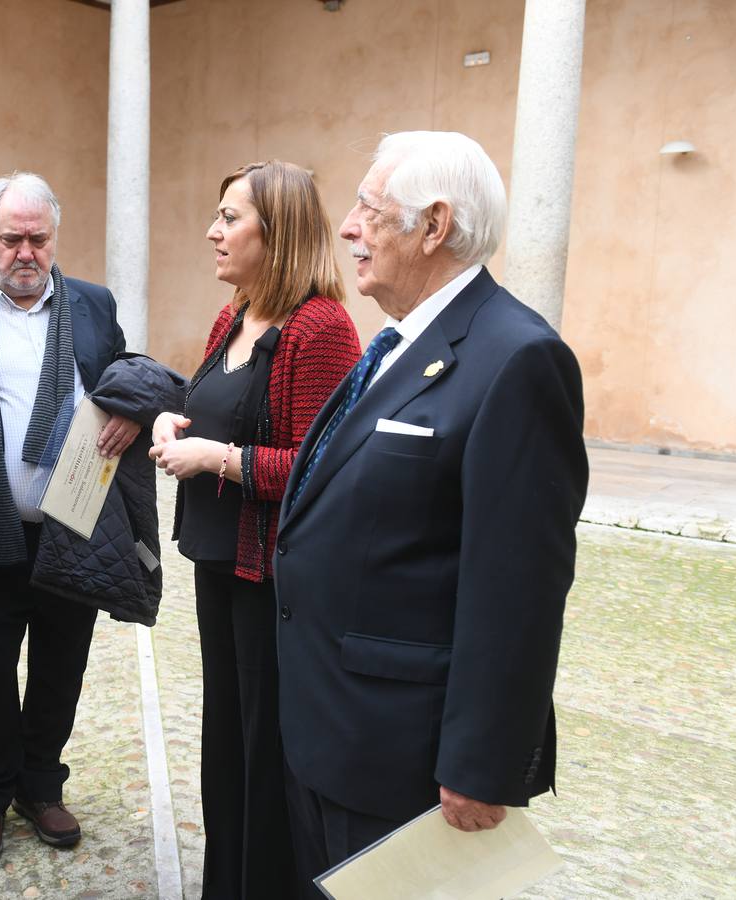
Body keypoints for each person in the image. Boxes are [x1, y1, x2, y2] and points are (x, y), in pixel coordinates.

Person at [273, 131, 588, 890]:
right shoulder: (397, 344)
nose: (347, 226)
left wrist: (482, 765)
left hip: (402, 759)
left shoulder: (515, 358)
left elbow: (517, 587)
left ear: (434, 226)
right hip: (330, 728)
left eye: (369, 209)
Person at [0, 172, 145, 861]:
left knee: (61, 661)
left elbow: (122, 378)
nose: (24, 252)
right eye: (10, 238)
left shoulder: (94, 306)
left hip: (73, 526)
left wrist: (133, 413)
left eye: (37, 239)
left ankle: (41, 784)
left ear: (53, 239)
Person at [148, 160, 360, 899]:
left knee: (267, 755)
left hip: (275, 585)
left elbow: (324, 464)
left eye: (231, 218)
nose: (213, 230)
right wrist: (176, 421)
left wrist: (221, 459)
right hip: (219, 567)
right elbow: (217, 404)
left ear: (281, 234)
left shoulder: (321, 326)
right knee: (227, 747)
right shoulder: (233, 314)